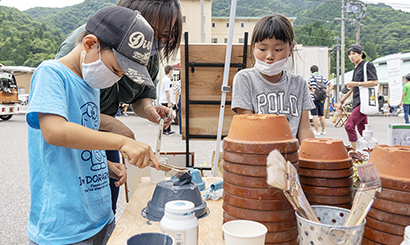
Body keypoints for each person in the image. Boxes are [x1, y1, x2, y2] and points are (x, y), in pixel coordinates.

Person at [26, 7, 160, 244]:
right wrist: (122, 141)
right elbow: (56, 132)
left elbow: (81, 139)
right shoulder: (51, 74)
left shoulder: (91, 86)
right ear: (90, 44)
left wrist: (104, 164)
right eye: (116, 69)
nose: (117, 78)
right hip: (64, 228)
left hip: (100, 217)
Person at [55, 0, 183, 214]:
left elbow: (140, 98)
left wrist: (149, 109)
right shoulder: (80, 54)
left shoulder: (144, 53)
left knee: (105, 201)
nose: (157, 42)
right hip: (75, 135)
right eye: (155, 33)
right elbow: (64, 119)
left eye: (166, 37)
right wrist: (114, 128)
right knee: (75, 196)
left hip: (104, 136)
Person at [231, 14, 315, 144]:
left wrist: (310, 156)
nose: (270, 56)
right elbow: (247, 126)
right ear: (253, 47)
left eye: (278, 49)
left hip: (290, 157)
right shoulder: (245, 79)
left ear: (290, 49)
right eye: (263, 49)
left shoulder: (299, 83)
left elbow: (304, 128)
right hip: (257, 154)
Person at [336, 44, 379, 152]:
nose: (351, 56)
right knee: (362, 130)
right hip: (357, 101)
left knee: (349, 125)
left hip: (363, 101)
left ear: (361, 53)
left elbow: (375, 82)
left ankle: (355, 152)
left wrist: (357, 83)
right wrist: (341, 102)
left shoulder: (367, 65)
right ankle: (371, 152)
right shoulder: (356, 68)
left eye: (354, 53)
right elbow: (351, 87)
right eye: (349, 54)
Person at [307, 65, 334, 136]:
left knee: (315, 115)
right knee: (321, 115)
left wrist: (311, 90)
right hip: (322, 98)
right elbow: (331, 85)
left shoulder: (310, 77)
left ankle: (317, 131)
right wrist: (326, 92)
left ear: (311, 71)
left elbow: (306, 84)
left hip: (313, 98)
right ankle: (323, 130)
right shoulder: (323, 78)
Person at [159, 65, 175, 135]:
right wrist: (169, 102)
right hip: (165, 100)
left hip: (166, 100)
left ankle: (168, 129)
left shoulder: (166, 79)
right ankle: (165, 130)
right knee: (166, 116)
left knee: (169, 115)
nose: (173, 72)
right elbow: (167, 91)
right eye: (172, 70)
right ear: (170, 70)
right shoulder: (166, 80)